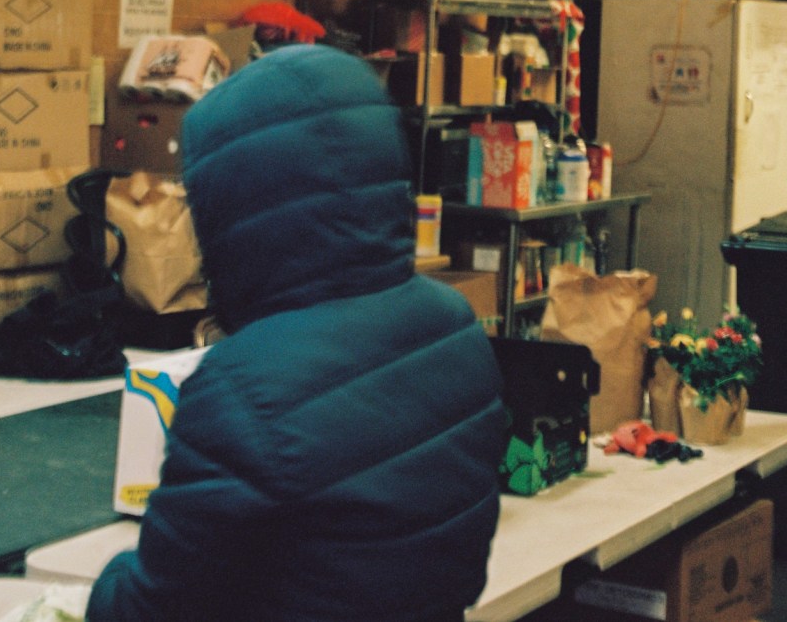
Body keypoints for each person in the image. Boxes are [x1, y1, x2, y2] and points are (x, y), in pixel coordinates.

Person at [87, 45, 505, 622]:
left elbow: (151, 611)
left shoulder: (246, 391)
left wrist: (101, 584)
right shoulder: (454, 328)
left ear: (233, 205)